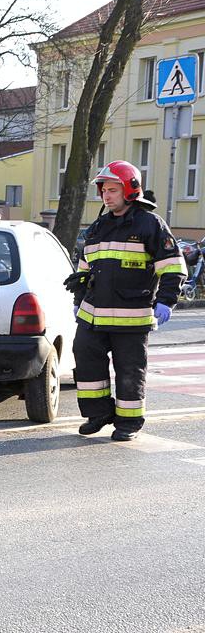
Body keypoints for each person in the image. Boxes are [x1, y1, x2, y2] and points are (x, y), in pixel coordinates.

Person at [65, 160, 186, 442]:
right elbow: (85, 269)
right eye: (104, 190)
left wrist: (166, 300)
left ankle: (128, 423)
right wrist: (79, 298)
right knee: (85, 360)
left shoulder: (149, 224)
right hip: (92, 316)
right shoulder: (99, 226)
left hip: (132, 317)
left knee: (129, 370)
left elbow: (173, 266)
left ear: (130, 190)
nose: (107, 196)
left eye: (113, 190)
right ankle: (98, 413)